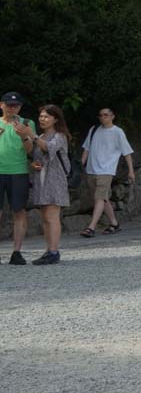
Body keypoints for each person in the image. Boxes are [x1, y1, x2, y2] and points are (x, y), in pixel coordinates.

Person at [79, 107, 134, 238]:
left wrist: (131, 171)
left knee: (99, 197)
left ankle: (91, 227)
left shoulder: (118, 132)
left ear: (112, 116)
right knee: (102, 198)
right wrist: (81, 164)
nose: (103, 117)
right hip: (91, 169)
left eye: (106, 115)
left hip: (106, 170)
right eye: (101, 115)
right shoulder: (94, 130)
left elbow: (127, 152)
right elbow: (86, 148)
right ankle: (114, 224)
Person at [27, 104, 71, 264]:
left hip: (55, 181)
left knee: (52, 217)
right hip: (41, 181)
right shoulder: (41, 136)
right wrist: (34, 165)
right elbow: (36, 158)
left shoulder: (59, 136)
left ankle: (54, 251)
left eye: (46, 116)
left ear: (55, 119)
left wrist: (32, 136)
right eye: (41, 116)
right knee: (45, 217)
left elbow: (48, 148)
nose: (42, 119)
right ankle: (49, 250)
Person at [2, 92, 38, 265]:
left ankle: (17, 252)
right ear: (1, 105)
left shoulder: (27, 123)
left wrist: (24, 135)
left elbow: (30, 150)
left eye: (15, 106)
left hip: (18, 172)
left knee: (19, 211)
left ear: (20, 107)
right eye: (9, 105)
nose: (12, 108)